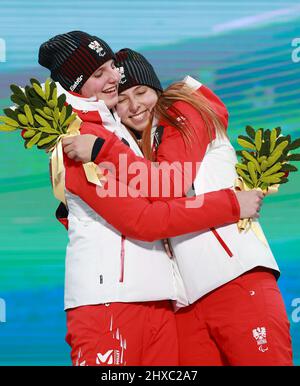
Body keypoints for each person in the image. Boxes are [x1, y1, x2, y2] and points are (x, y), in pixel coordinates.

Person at [65, 48, 293, 366]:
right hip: (185, 304)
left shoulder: (184, 110)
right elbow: (143, 215)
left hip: (236, 280)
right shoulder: (137, 153)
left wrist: (103, 150)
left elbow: (169, 183)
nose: (134, 106)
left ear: (156, 89)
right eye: (123, 100)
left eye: (141, 92)